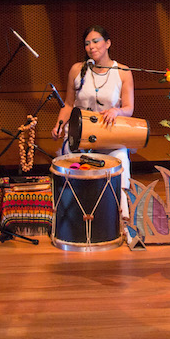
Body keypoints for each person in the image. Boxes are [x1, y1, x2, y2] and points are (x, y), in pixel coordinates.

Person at [51, 25, 136, 220]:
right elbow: (69, 105)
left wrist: (117, 110)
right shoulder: (77, 70)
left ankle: (121, 219)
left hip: (109, 134)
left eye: (96, 41)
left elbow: (129, 108)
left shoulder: (122, 71)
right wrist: (59, 124)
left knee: (121, 161)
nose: (91, 47)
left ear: (108, 43)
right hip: (80, 135)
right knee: (69, 167)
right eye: (87, 43)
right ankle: (71, 218)